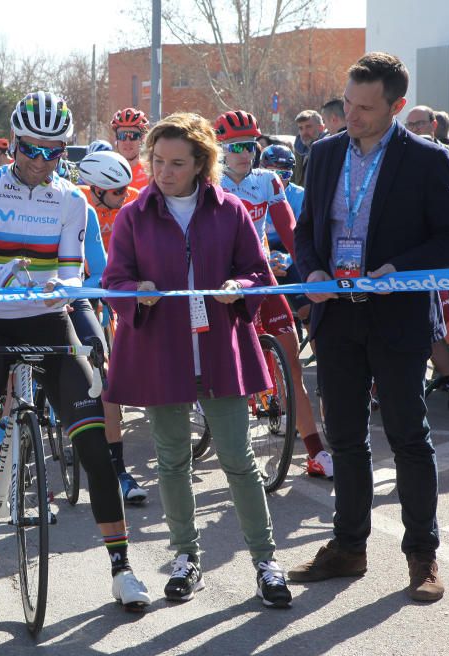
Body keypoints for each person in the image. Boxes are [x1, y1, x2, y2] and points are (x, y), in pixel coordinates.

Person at [0, 91, 152, 611]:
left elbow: (71, 269)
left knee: (95, 448)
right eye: (30, 149)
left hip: (50, 322)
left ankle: (122, 568)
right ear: (13, 143)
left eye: (53, 152)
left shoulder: (71, 200)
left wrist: (62, 286)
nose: (40, 162)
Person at [289, 52, 449, 602]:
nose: (352, 115)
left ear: (396, 106)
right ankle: (349, 546)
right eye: (347, 102)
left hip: (396, 316)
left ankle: (422, 554)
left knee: (408, 436)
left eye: (365, 107)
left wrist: (401, 270)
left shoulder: (427, 159)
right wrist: (313, 269)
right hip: (337, 315)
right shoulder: (322, 155)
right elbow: (304, 232)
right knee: (344, 436)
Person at [102, 111, 293, 609]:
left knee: (238, 458)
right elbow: (113, 281)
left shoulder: (230, 210)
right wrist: (134, 293)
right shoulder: (133, 215)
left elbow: (257, 272)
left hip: (220, 349)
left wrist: (241, 288)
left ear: (201, 163)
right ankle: (186, 556)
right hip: (159, 352)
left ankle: (265, 562)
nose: (164, 172)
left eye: (176, 163)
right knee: (171, 461)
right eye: (157, 161)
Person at [215, 111, 332, 479]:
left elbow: (292, 233)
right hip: (220, 282)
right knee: (221, 363)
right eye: (235, 147)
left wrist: (310, 273)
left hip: (261, 275)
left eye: (250, 146)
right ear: (220, 149)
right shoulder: (208, 183)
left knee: (291, 358)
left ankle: (315, 452)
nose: (244, 154)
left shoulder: (267, 181)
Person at [76, 150, 148, 503]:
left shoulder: (131, 202)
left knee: (104, 380)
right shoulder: (77, 203)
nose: (125, 195)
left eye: (126, 189)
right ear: (94, 188)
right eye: (117, 191)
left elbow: (106, 267)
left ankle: (117, 469)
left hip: (106, 284)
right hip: (73, 288)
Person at [112, 107, 151, 190]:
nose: (127, 141)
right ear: (116, 139)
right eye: (122, 136)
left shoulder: (152, 173)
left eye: (133, 136)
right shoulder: (106, 171)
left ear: (142, 138)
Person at [291, 110, 326, 186]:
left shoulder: (327, 150)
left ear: (321, 128)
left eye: (308, 127)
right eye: (301, 128)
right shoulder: (298, 151)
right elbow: (293, 181)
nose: (304, 132)